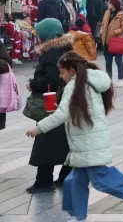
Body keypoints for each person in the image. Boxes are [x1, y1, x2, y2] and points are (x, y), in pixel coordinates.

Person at [26, 53, 123, 222]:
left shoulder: (75, 84)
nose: (61, 77)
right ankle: (79, 216)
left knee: (100, 179)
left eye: (62, 72)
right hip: (87, 139)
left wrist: (38, 128)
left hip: (88, 142)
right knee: (74, 180)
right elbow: (73, 109)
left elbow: (62, 115)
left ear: (73, 70)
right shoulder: (88, 80)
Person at [25, 19, 73, 193]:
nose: (37, 36)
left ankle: (44, 180)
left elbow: (53, 79)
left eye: (39, 32)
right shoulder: (63, 48)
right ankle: (65, 176)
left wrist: (34, 83)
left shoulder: (53, 52)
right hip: (61, 102)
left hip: (52, 103)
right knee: (63, 140)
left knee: (46, 140)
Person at [100, 0, 123, 88]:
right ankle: (109, 79)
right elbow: (104, 24)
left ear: (113, 4)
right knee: (108, 62)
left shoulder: (121, 15)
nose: (107, 4)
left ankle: (120, 79)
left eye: (109, 3)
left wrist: (115, 32)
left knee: (118, 61)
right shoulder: (107, 13)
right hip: (106, 41)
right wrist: (101, 32)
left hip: (117, 41)